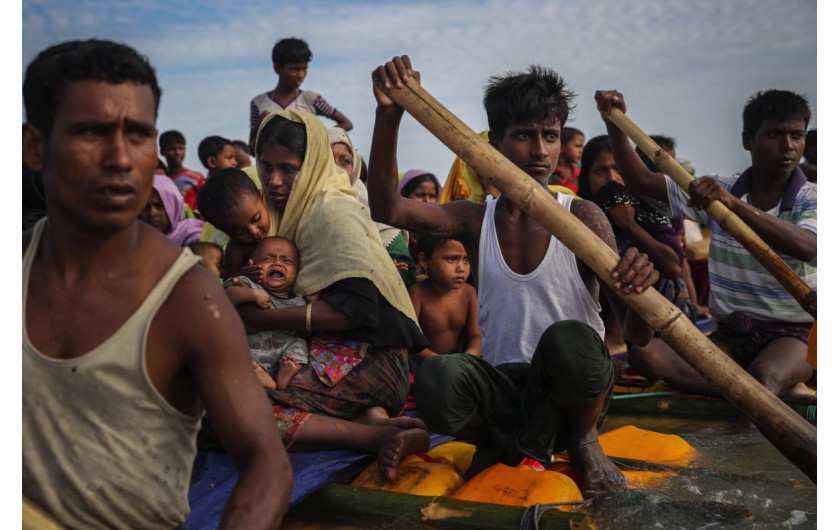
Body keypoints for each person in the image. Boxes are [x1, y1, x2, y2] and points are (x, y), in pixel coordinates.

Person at [22, 38, 291, 529]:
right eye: (92, 132)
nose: (122, 158)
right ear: (35, 147)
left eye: (140, 135)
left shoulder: (189, 298)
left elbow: (266, 465)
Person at [367, 56, 658, 496]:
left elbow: (637, 334)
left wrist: (642, 288)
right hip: (506, 395)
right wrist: (389, 115)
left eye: (550, 136)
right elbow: (388, 210)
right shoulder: (473, 221)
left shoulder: (584, 217)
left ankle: (582, 442)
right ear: (496, 144)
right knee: (437, 377)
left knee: (569, 340)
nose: (540, 151)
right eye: (524, 136)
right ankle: (504, 444)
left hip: (575, 396)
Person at [216, 109, 431, 482]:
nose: (274, 181)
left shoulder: (331, 209)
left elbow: (358, 311)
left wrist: (260, 318)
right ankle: (380, 428)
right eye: (266, 167)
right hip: (324, 354)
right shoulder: (276, 213)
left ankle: (369, 438)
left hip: (369, 361)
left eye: (289, 169)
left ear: (313, 162)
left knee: (227, 406)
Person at [595, 88, 816, 410]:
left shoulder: (812, 196)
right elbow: (640, 180)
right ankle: (768, 391)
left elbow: (806, 246)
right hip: (730, 333)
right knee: (647, 355)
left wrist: (733, 207)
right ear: (747, 140)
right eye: (773, 135)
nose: (788, 146)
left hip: (794, 334)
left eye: (796, 135)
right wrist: (614, 122)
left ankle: (762, 389)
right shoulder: (720, 187)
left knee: (762, 377)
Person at [328, 126, 417, 287]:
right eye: (326, 160)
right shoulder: (297, 208)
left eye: (344, 161)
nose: (336, 169)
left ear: (354, 170)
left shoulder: (377, 218)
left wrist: (384, 273)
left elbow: (406, 273)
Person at [225, 236, 311, 390]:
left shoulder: (299, 302)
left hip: (281, 354)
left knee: (300, 345)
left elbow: (305, 331)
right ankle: (266, 380)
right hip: (248, 351)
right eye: (267, 259)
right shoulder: (248, 284)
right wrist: (252, 295)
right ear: (253, 265)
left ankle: (288, 370)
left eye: (287, 261)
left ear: (296, 274)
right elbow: (227, 296)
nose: (277, 263)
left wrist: (313, 300)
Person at [248, 37, 353, 152]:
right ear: (277, 68)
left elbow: (347, 124)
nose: (301, 75)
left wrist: (316, 139)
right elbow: (252, 149)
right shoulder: (259, 103)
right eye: (294, 69)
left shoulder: (312, 99)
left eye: (305, 68)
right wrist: (261, 127)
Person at [409, 235, 481, 364]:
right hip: (426, 365)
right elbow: (411, 342)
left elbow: (476, 335)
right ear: (424, 260)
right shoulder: (417, 294)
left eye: (466, 259)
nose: (461, 268)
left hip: (459, 365)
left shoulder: (469, 293)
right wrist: (442, 363)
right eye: (452, 259)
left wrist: (469, 357)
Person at [139, 174, 205, 246]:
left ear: (173, 206)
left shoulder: (190, 233)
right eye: (145, 207)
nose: (152, 213)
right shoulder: (132, 240)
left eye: (159, 206)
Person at [160, 129, 205, 210]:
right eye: (171, 149)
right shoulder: (160, 181)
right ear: (162, 151)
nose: (177, 153)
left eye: (181, 148)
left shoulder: (197, 178)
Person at [548, 126, 585, 193]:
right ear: (561, 147)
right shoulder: (549, 172)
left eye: (582, 147)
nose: (581, 151)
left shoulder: (580, 175)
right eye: (577, 146)